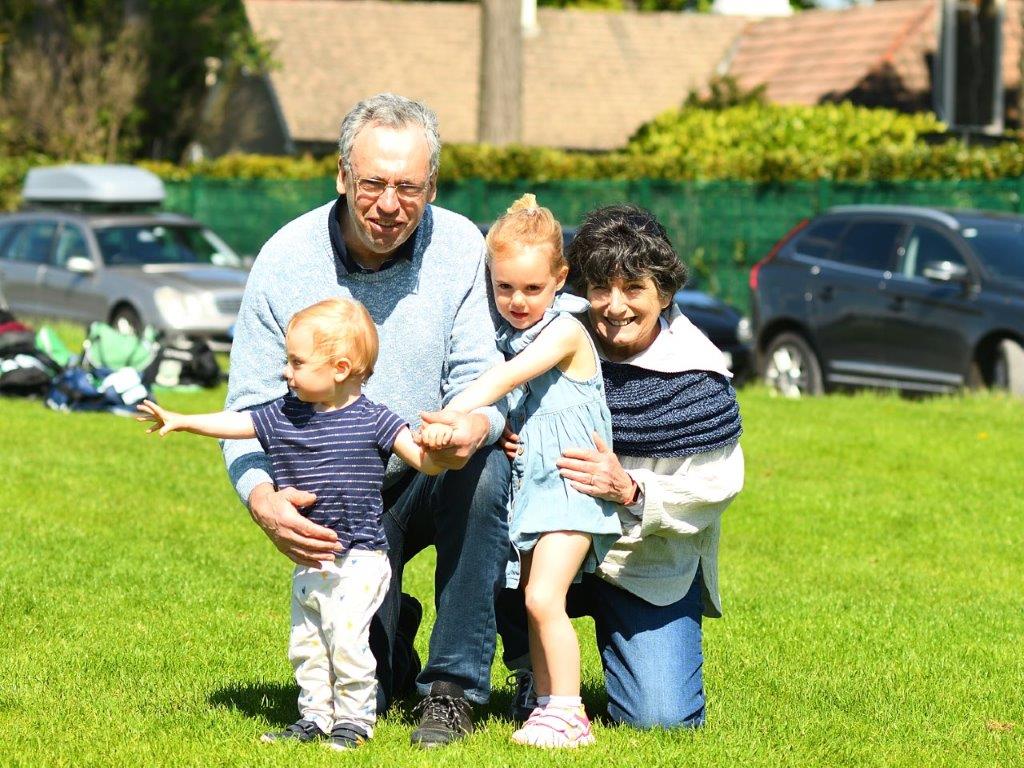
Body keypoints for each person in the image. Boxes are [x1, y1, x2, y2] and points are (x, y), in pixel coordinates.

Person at [220, 93, 512, 748]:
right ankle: (392, 647)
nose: (388, 204)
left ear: (431, 185)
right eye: (372, 184)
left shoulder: (462, 244)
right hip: (340, 495)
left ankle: (452, 689)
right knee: (365, 694)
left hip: (430, 466)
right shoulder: (284, 260)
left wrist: (476, 426)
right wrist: (262, 498)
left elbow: (482, 379)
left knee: (489, 471)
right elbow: (247, 409)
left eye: (408, 188)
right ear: (342, 177)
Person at [138, 298, 445, 750]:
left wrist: (438, 443)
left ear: (340, 368)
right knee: (308, 644)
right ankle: (316, 717)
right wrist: (181, 420)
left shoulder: (375, 419)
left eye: (297, 362)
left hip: (359, 556)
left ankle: (355, 721)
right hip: (310, 557)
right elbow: (235, 423)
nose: (286, 371)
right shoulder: (286, 415)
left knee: (346, 640)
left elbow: (426, 462)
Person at [497, 204, 745, 730]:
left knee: (661, 720)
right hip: (553, 532)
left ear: (665, 292)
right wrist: (510, 433)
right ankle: (532, 675)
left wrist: (631, 488)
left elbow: (718, 484)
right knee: (487, 504)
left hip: (642, 562)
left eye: (634, 288)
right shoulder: (549, 328)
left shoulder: (697, 373)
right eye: (601, 288)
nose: (615, 307)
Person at [420, 194, 621, 748]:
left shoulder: (565, 331)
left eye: (533, 288)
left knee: (541, 598)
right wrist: (519, 439)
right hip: (537, 484)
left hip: (572, 488)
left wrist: (456, 412)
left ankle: (569, 711)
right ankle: (541, 698)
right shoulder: (515, 332)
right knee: (529, 594)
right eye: (504, 286)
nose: (517, 299)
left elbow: (506, 380)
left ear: (561, 278)